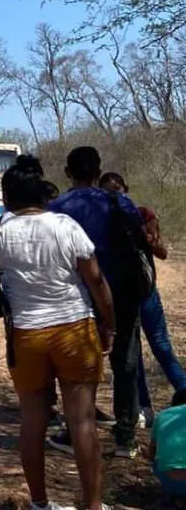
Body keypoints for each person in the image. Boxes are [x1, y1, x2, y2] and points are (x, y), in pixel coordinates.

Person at [0, 155, 133, 510]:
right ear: (42, 192)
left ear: (8, 196)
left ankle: (39, 509)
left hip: (26, 337)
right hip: (72, 329)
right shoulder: (65, 226)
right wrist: (109, 326)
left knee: (31, 423)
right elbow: (96, 282)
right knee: (81, 422)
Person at [47, 147, 145, 458]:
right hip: (121, 294)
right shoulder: (118, 201)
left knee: (78, 370)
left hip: (76, 299)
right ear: (98, 170)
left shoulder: (55, 209)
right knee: (126, 363)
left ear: (67, 172)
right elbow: (141, 236)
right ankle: (125, 438)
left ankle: (77, 432)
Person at [99, 172, 186, 427]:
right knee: (131, 355)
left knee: (161, 346)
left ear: (126, 189)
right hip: (119, 297)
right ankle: (143, 408)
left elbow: (162, 252)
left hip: (145, 293)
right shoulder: (101, 222)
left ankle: (183, 393)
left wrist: (146, 236)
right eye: (107, 191)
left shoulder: (142, 215)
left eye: (117, 189)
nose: (114, 195)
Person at [142, 388, 186, 506]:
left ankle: (177, 496)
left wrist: (146, 454)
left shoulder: (162, 415)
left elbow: (152, 454)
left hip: (171, 482)